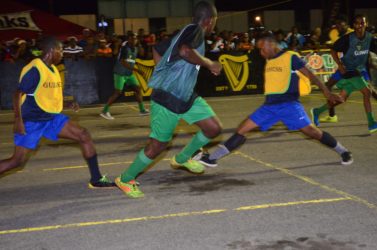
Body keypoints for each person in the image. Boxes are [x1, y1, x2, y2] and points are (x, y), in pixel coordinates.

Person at [115, 1, 223, 198]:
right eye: (215, 21)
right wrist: (209, 63)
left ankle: (182, 158)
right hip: (168, 98)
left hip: (185, 94)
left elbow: (158, 48)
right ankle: (125, 178)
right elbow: (184, 51)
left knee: (213, 128)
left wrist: (164, 71)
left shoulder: (184, 31)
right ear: (210, 20)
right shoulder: (196, 31)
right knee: (157, 147)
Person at [196, 32, 353, 168]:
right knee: (242, 129)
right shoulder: (270, 60)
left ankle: (344, 151)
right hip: (269, 107)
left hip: (289, 105)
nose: (261, 52)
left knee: (313, 132)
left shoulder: (290, 57)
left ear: (271, 44)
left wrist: (327, 93)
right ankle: (212, 159)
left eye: (262, 48)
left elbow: (311, 75)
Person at [0, 36, 115, 189]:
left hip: (51, 118)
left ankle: (96, 179)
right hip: (32, 121)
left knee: (83, 135)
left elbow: (46, 95)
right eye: (61, 50)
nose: (62, 54)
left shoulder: (53, 69)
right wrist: (18, 120)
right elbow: (17, 94)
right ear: (52, 51)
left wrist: (66, 103)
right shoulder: (35, 69)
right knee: (17, 161)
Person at [312, 14, 377, 133]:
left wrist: (372, 64)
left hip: (360, 70)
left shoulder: (369, 38)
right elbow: (333, 50)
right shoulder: (347, 38)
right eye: (357, 23)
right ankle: (371, 122)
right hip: (349, 70)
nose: (360, 25)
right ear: (354, 25)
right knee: (367, 92)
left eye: (362, 23)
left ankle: (318, 111)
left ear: (366, 24)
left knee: (342, 99)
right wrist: (340, 65)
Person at [100, 34, 149, 119]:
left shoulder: (136, 49)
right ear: (129, 40)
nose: (135, 40)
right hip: (120, 73)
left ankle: (142, 110)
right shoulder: (125, 49)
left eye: (136, 39)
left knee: (138, 89)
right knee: (118, 92)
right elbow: (123, 62)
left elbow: (142, 53)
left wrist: (140, 44)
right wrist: (137, 70)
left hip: (128, 74)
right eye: (132, 39)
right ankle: (104, 111)